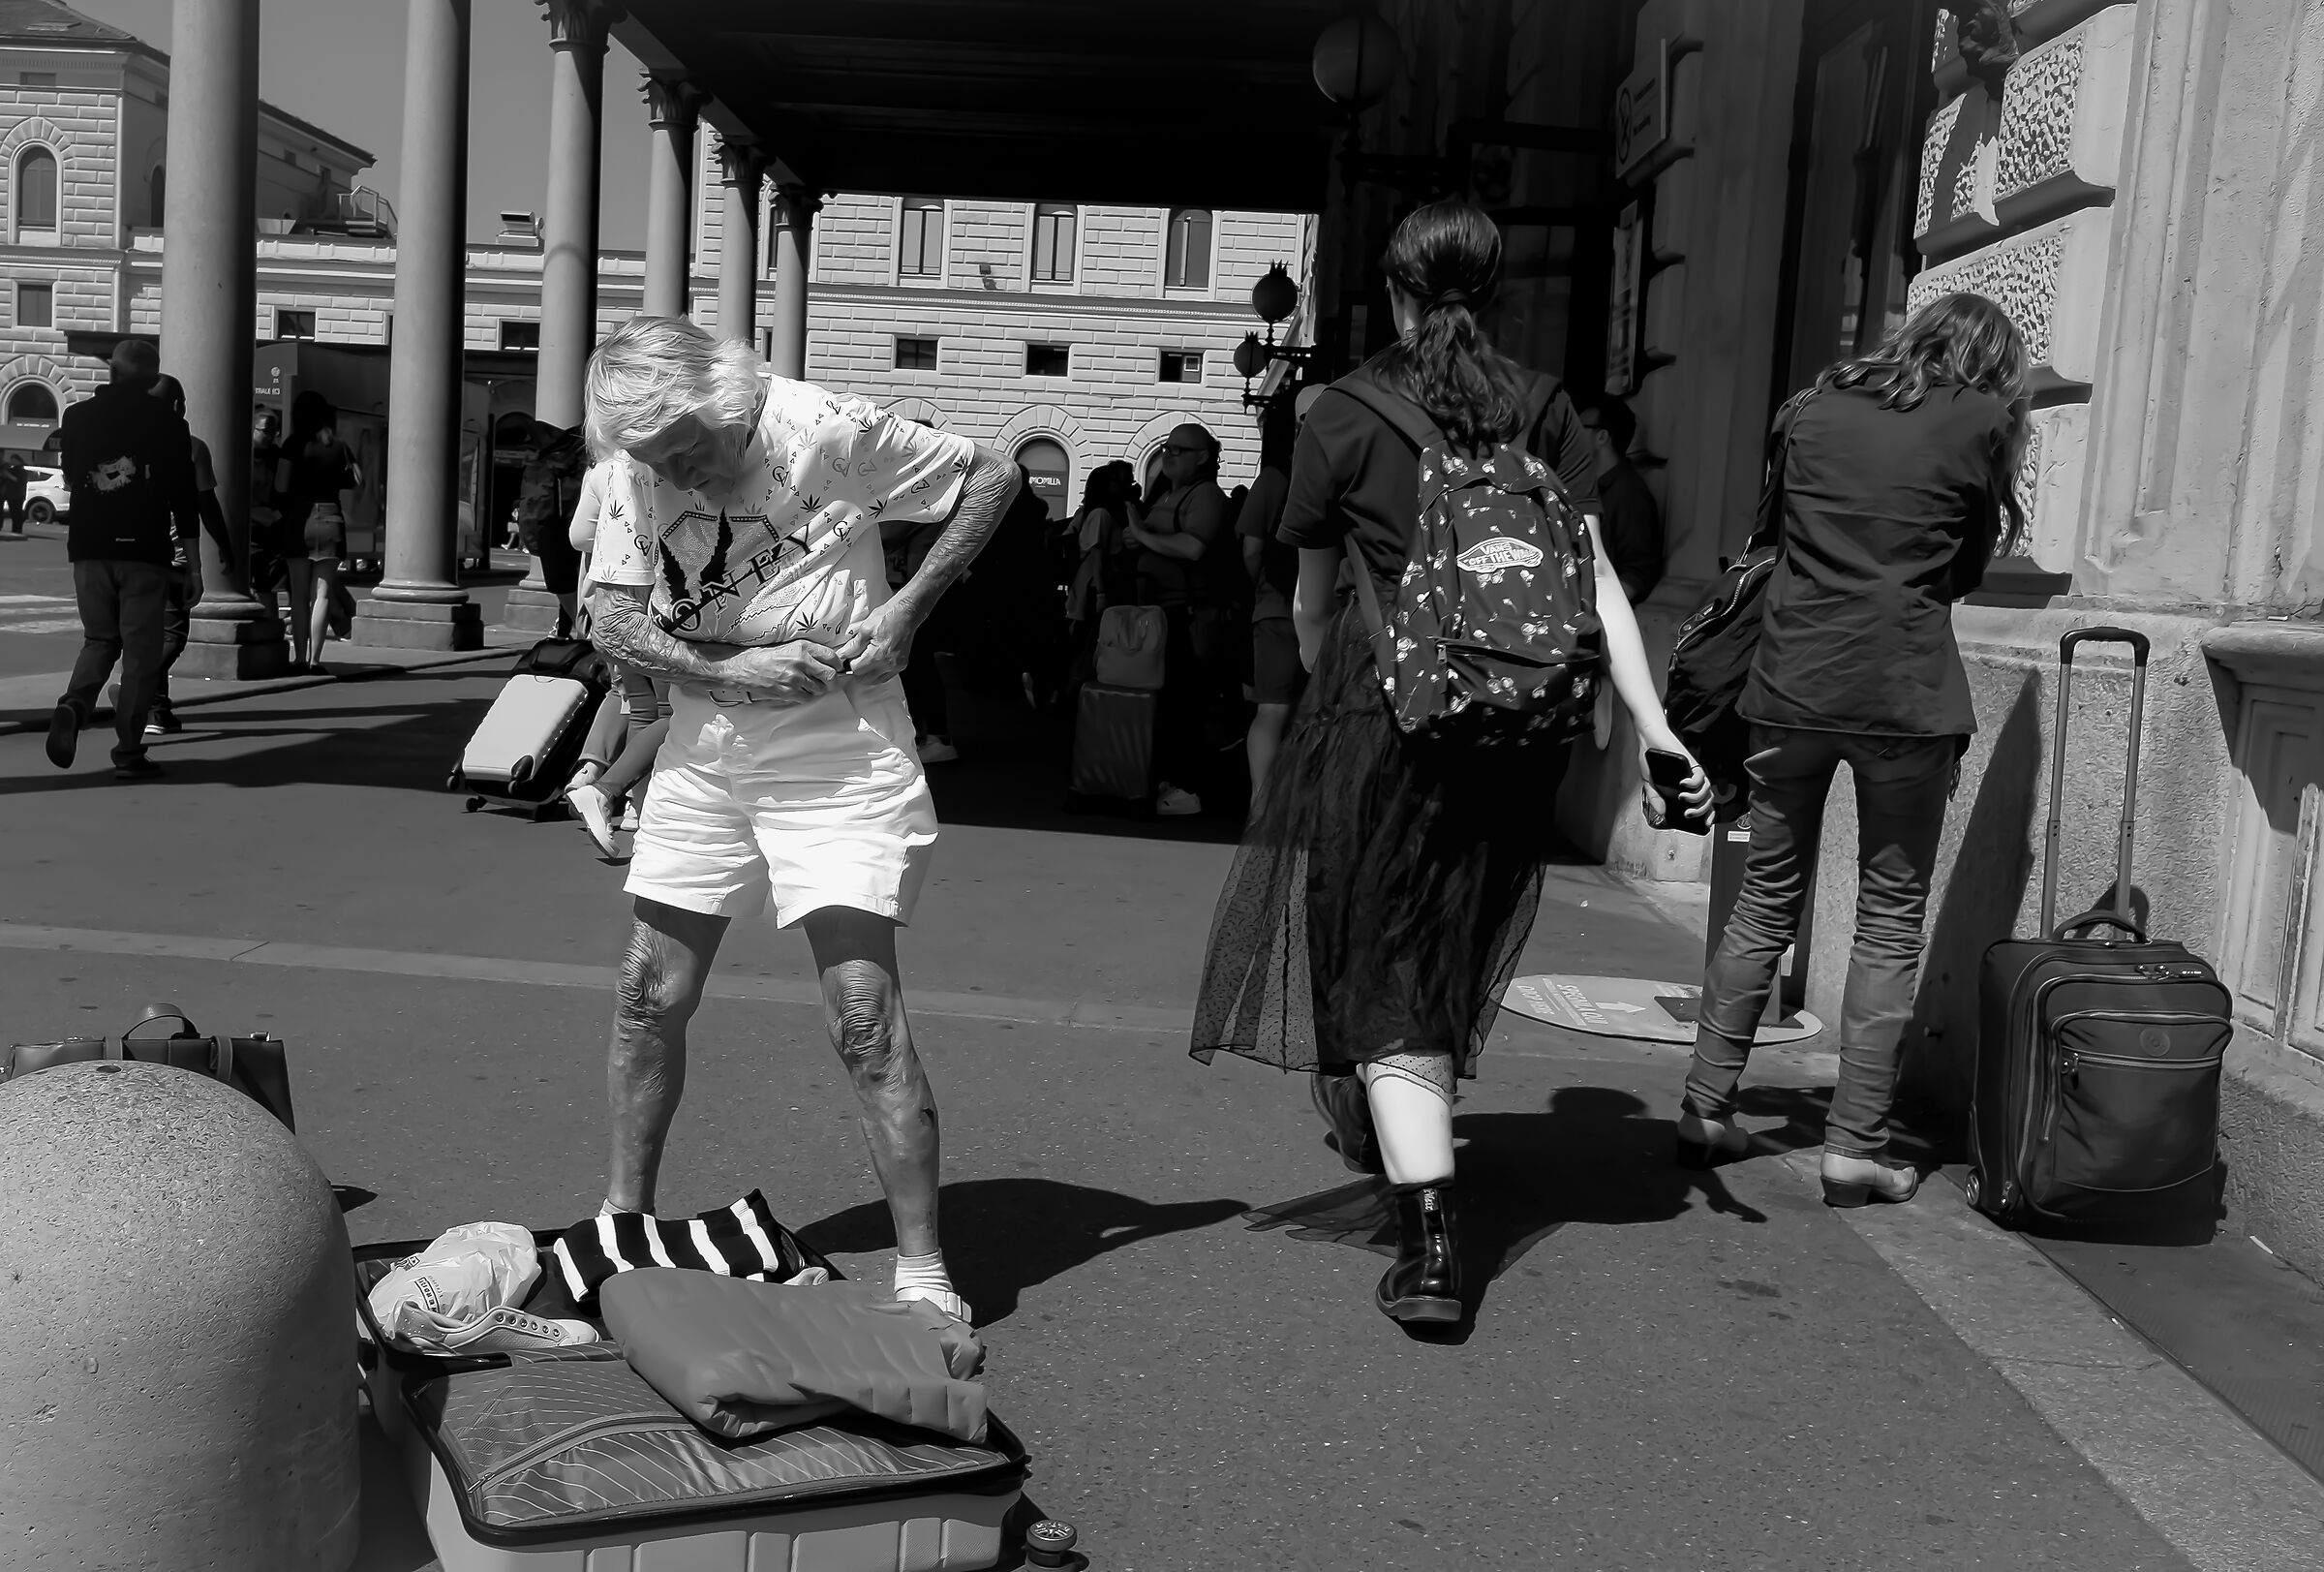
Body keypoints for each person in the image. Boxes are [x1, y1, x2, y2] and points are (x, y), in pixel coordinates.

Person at [1189, 200, 1710, 1326]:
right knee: (1442, 942)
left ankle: (1430, 1243)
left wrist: (1349, 695)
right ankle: (1398, 1106)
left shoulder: (1341, 415)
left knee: (1381, 964)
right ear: (1495, 294)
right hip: (1518, 733)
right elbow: (1599, 579)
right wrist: (1655, 726)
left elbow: (1310, 602)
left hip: (1387, 724)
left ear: (1394, 291)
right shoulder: (1542, 407)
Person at [579, 316, 1023, 1324]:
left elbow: (994, 476)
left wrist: (909, 605)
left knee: (862, 1014)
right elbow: (608, 616)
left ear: (723, 399)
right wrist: (719, 669)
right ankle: (624, 1223)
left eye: (689, 450)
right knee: (648, 993)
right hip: (706, 742)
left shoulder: (821, 424)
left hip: (837, 746)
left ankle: (921, 1267)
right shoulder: (635, 471)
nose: (678, 478)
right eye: (655, 463)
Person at [1675, 293, 2030, 1208]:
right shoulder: (1984, 421)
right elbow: (1967, 565)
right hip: (1904, 695)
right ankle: (1855, 1146)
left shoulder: (1811, 407)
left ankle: (1708, 1106)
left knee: (1764, 903)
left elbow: (1773, 536)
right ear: (1991, 362)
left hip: (1791, 681)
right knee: (1887, 921)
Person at [45, 337, 198, 779]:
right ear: (153, 379)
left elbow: (73, 477)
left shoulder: (76, 417)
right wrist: (195, 564)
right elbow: (183, 497)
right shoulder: (167, 424)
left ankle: (74, 704)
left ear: (112, 371)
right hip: (145, 552)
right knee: (140, 655)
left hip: (90, 548)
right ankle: (129, 752)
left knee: (99, 639)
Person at [564, 451, 670, 856]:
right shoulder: (661, 466)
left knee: (641, 708)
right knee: (671, 711)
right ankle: (618, 798)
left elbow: (577, 536)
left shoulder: (604, 469)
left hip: (613, 606)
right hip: (658, 604)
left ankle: (633, 809)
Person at [1124, 422, 1233, 816]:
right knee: (1168, 703)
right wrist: (1136, 537)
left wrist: (1141, 533)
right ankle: (1170, 780)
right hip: (1160, 612)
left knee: (1186, 703)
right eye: (1167, 447)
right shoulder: (1169, 493)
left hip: (1188, 616)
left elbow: (1192, 548)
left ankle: (1189, 789)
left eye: (1179, 450)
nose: (1169, 454)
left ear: (1203, 457)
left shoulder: (1205, 496)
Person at [1237, 391, 1313, 804]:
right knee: (1315, 714)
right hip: (1331, 613)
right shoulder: (1343, 476)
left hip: (1276, 609)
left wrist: (1263, 588)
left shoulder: (1274, 478)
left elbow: (1250, 550)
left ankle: (1261, 803)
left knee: (1270, 710)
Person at [147, 373, 225, 736]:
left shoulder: (132, 441)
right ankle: (139, 690)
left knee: (150, 634)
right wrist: (225, 545)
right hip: (174, 556)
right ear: (178, 407)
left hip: (133, 553)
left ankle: (157, 711)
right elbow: (206, 505)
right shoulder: (193, 447)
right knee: (173, 637)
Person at [272, 390, 356, 673]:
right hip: (331, 517)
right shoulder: (339, 445)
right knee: (321, 594)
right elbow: (358, 478)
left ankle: (298, 658)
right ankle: (315, 660)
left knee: (297, 594)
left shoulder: (293, 444)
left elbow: (281, 486)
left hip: (299, 517)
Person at [1577, 395, 1664, 603]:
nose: (1573, 435)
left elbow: (1638, 573)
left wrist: (1601, 613)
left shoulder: (1629, 493)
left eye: (1580, 427)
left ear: (1601, 437)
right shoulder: (1590, 488)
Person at [1062, 460, 1138, 673]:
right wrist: (1102, 594)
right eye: (1116, 481)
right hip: (1095, 586)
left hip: (1090, 585)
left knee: (1086, 640)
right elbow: (1097, 555)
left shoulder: (1093, 513)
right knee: (1088, 640)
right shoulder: (1101, 515)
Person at [519, 417, 591, 636]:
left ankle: (578, 633)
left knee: (562, 585)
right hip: (578, 532)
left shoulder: (542, 463)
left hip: (552, 532)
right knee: (577, 585)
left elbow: (532, 511)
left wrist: (532, 543)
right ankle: (574, 632)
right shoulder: (578, 458)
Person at [248, 411, 285, 615]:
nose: (270, 435)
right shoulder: (240, 456)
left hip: (270, 532)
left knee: (267, 587)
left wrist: (276, 515)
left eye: (273, 431)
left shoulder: (277, 458)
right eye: (264, 431)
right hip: (246, 530)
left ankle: (271, 629)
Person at [0, 451, 27, 534]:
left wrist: (8, 476)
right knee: (13, 514)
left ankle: (18, 530)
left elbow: (19, 481)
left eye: (12, 460)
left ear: (17, 460)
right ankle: (15, 529)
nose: (11, 462)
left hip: (18, 495)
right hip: (11, 495)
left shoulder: (22, 471)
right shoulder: (12, 469)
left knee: (17, 514)